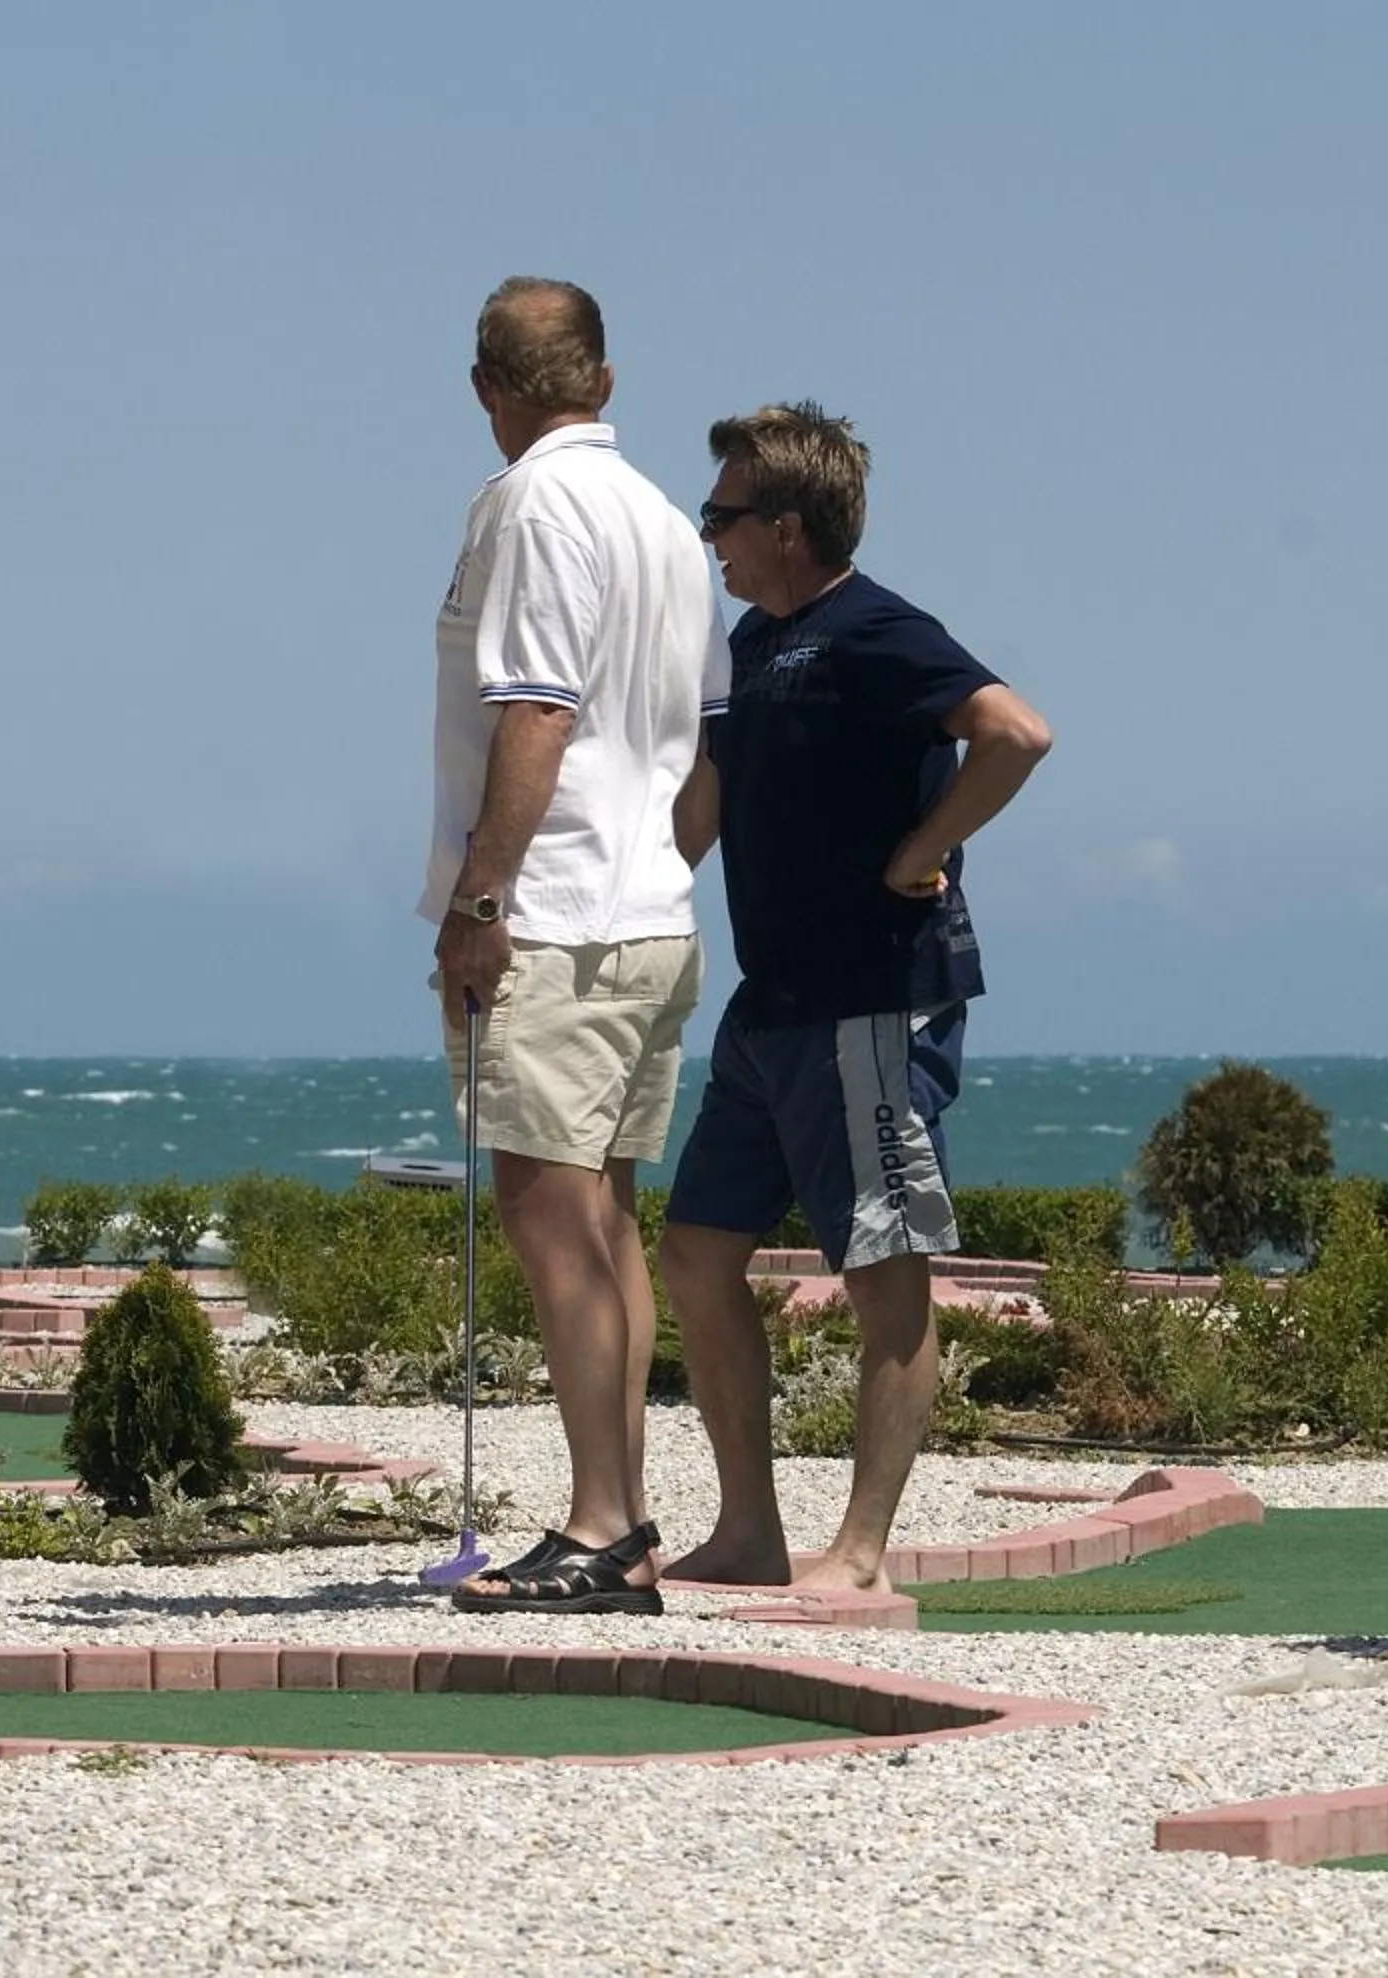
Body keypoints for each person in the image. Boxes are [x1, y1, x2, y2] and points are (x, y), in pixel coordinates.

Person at [661, 403, 1053, 1593]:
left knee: (883, 1271)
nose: (708, 535)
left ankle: (864, 1552)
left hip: (873, 1002)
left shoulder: (880, 627)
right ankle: (749, 1533)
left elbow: (1017, 733)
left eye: (722, 516)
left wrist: (921, 846)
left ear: (786, 525)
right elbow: (701, 812)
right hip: (768, 1004)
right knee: (691, 1253)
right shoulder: (744, 648)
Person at [422, 278, 717, 1616]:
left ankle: (603, 1523)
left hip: (558, 916)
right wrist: (657, 870)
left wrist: (485, 900)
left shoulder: (535, 504)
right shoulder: (664, 517)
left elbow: (533, 713)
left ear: (488, 386)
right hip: (648, 911)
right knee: (607, 1219)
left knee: (554, 1222)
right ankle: (625, 1519)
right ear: (606, 377)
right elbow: (708, 745)